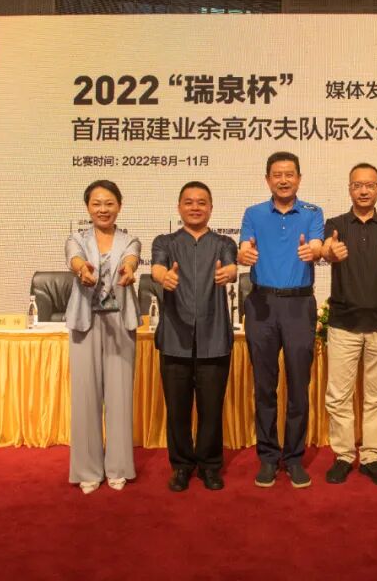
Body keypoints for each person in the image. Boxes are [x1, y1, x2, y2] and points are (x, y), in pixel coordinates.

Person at [238, 151, 324, 489]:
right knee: (264, 386)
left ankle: (295, 458)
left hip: (299, 306)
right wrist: (244, 254)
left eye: (290, 174)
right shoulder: (253, 213)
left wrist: (314, 250)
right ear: (268, 179)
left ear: (299, 178)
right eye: (277, 174)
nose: (284, 180)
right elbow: (244, 247)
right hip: (261, 304)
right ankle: (268, 457)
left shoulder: (313, 212)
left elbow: (316, 244)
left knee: (299, 385)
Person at [321, 163, 377, 487]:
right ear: (349, 189)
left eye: (370, 185)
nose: (364, 190)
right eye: (357, 185)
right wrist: (330, 251)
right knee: (338, 397)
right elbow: (325, 248)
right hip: (343, 324)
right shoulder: (335, 225)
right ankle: (344, 456)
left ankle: (371, 458)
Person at [151, 182, 238, 492]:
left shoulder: (224, 242)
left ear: (211, 208)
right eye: (189, 202)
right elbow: (157, 267)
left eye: (202, 202)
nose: (195, 207)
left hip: (214, 338)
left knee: (211, 409)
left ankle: (210, 466)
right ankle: (181, 466)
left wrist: (230, 273)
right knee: (177, 409)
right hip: (175, 337)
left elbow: (232, 266)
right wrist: (163, 276)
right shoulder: (165, 242)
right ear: (179, 207)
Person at [64, 180, 140, 495]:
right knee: (85, 397)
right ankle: (88, 470)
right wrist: (82, 270)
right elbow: (74, 258)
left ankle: (118, 468)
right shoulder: (77, 238)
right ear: (88, 208)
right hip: (85, 323)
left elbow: (131, 259)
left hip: (120, 323)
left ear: (119, 206)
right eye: (96, 203)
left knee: (120, 397)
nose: (103, 209)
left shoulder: (129, 239)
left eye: (109, 203)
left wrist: (128, 270)